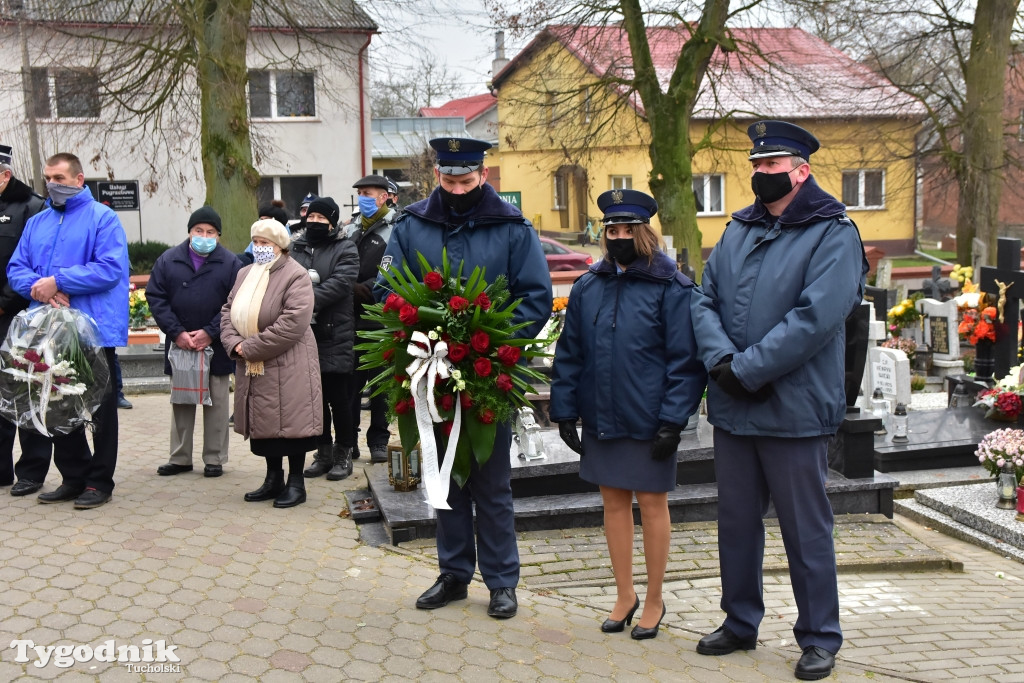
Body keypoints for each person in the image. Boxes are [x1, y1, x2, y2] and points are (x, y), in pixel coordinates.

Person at [690, 121, 867, 681]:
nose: (761, 174)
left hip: (793, 407)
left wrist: (748, 368)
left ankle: (819, 637)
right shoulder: (737, 229)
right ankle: (740, 623)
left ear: (801, 169)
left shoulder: (833, 232)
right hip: (736, 406)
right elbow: (704, 299)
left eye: (772, 166)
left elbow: (817, 317)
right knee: (736, 524)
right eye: (756, 165)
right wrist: (723, 363)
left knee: (804, 529)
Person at [377, 137, 551, 619]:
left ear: (484, 175)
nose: (457, 189)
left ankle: (501, 581)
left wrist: (493, 345)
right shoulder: (412, 223)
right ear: (437, 176)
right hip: (428, 372)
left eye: (466, 180)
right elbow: (385, 289)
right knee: (443, 476)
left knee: (491, 481)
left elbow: (534, 297)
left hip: (484, 373)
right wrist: (418, 335)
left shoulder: (512, 228)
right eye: (449, 180)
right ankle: (453, 573)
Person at [550, 189, 705, 640]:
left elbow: (685, 360)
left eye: (626, 231)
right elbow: (570, 353)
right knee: (613, 502)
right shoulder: (587, 286)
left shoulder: (671, 287)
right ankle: (624, 594)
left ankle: (654, 598)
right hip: (602, 413)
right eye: (610, 231)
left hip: (650, 418)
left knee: (652, 504)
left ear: (643, 233)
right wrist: (564, 409)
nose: (617, 238)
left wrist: (674, 421)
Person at [7, 152, 129, 509]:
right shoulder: (38, 222)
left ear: (79, 180)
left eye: (59, 177)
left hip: (92, 330)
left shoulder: (103, 218)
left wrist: (59, 281)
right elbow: (17, 269)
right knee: (58, 403)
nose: (52, 185)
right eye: (47, 178)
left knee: (100, 410)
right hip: (48, 329)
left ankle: (99, 481)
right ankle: (74, 476)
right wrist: (40, 286)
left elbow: (109, 268)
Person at [220, 218, 322, 508]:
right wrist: (234, 343)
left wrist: (249, 347)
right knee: (266, 422)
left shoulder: (295, 275)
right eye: (256, 242)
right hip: (254, 362)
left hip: (289, 361)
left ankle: (296, 483)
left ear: (280, 246)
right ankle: (272, 478)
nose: (260, 248)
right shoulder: (245, 274)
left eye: (266, 243)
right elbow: (228, 311)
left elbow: (292, 322)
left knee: (291, 423)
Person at [146, 206, 242, 479]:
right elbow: (156, 296)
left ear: (219, 236)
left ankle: (214, 458)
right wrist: (177, 332)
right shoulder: (168, 260)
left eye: (210, 232)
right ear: (189, 232)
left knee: (218, 403)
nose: (204, 236)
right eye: (199, 230)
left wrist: (210, 331)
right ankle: (179, 458)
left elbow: (235, 302)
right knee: (181, 401)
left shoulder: (231, 263)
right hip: (181, 344)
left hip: (216, 344)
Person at [290, 197, 360, 480]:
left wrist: (302, 301)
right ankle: (324, 451)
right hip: (303, 336)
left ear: (332, 223)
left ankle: (344, 451)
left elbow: (341, 284)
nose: (316, 223)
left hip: (335, 334)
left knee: (338, 399)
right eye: (312, 218)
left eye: (323, 220)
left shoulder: (346, 248)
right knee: (313, 401)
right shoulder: (296, 247)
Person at [0, 144, 52, 495]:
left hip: (17, 316)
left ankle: (31, 471)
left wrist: (5, 303)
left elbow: (34, 266)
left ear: (4, 174)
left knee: (25, 392)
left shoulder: (32, 207)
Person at [344, 174, 399, 463]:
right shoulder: (350, 228)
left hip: (380, 317)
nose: (364, 197)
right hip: (350, 317)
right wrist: (349, 285)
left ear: (384, 196)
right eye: (360, 192)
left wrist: (374, 285)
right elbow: (338, 261)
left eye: (368, 192)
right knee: (350, 386)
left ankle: (378, 440)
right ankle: (349, 441)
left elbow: (400, 265)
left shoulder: (397, 227)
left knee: (381, 386)